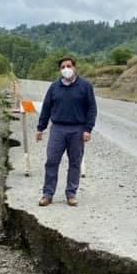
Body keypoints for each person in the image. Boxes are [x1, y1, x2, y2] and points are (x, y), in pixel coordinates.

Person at [36, 56, 97, 207]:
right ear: (59, 70)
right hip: (58, 129)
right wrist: (40, 128)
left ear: (75, 67)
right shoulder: (54, 87)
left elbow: (91, 109)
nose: (66, 69)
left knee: (75, 162)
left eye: (69, 66)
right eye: (63, 67)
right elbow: (46, 108)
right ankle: (48, 194)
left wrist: (88, 129)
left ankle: (71, 194)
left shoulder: (85, 86)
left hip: (77, 129)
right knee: (51, 161)